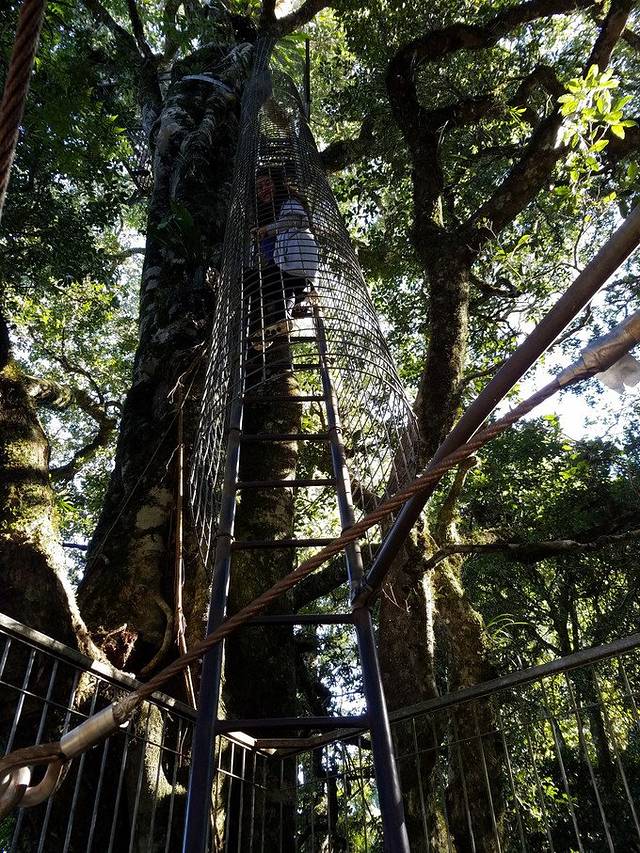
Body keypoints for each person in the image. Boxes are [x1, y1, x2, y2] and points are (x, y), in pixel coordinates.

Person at [248, 167, 318, 348]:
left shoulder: (288, 201)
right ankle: (282, 321)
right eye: (259, 187)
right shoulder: (266, 214)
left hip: (297, 259)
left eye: (267, 183)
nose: (264, 189)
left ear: (277, 184)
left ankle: (282, 317)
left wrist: (267, 230)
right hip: (293, 269)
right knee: (283, 289)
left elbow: (295, 220)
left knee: (251, 281)